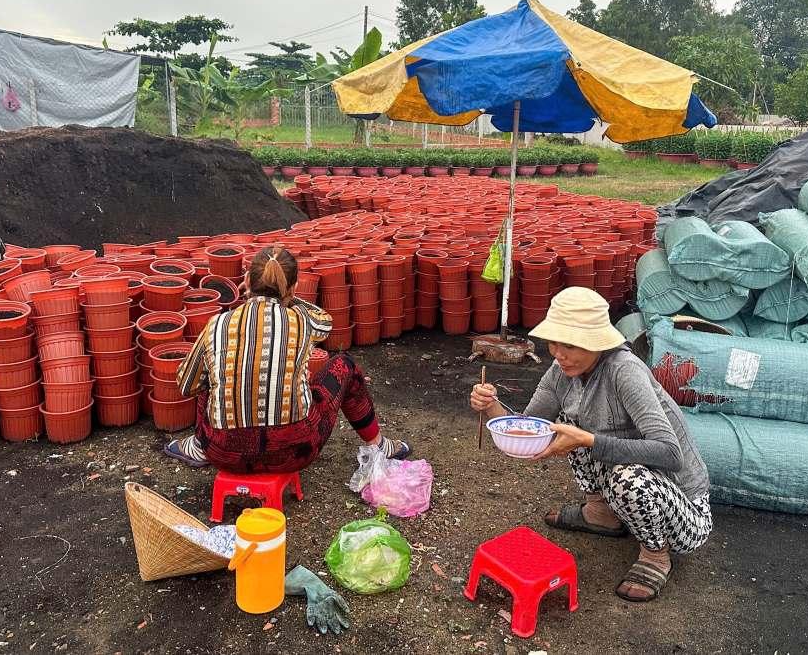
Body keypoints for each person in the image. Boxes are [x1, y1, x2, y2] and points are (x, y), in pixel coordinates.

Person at [469, 287, 711, 602]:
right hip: (621, 478)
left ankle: (655, 553)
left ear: (596, 341)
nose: (558, 353)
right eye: (554, 342)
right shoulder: (561, 370)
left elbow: (670, 453)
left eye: (569, 344)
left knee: (622, 472)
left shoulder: (625, 371)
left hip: (682, 509)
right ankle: (603, 512)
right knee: (568, 427)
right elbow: (529, 427)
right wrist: (492, 408)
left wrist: (589, 440)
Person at [164, 246, 410, 472]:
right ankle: (379, 445)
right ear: (293, 288)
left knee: (207, 371)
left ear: (247, 280)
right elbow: (324, 320)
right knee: (344, 365)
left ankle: (198, 446)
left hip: (224, 452)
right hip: (295, 450)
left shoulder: (216, 325)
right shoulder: (302, 321)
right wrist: (289, 298)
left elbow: (186, 385)